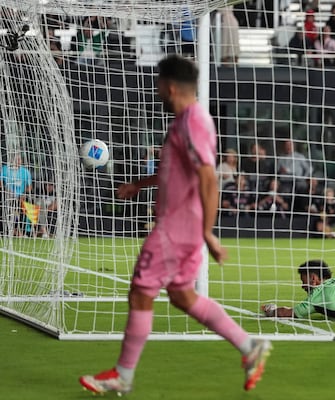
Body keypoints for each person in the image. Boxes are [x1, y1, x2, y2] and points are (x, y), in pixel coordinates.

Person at [79, 55, 271, 395]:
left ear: (169, 87)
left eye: (157, 84)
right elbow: (176, 173)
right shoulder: (184, 121)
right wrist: (139, 185)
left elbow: (208, 179)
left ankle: (123, 375)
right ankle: (249, 345)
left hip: (175, 230)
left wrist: (208, 232)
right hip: (184, 229)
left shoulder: (193, 121)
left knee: (140, 293)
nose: (155, 91)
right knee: (182, 295)